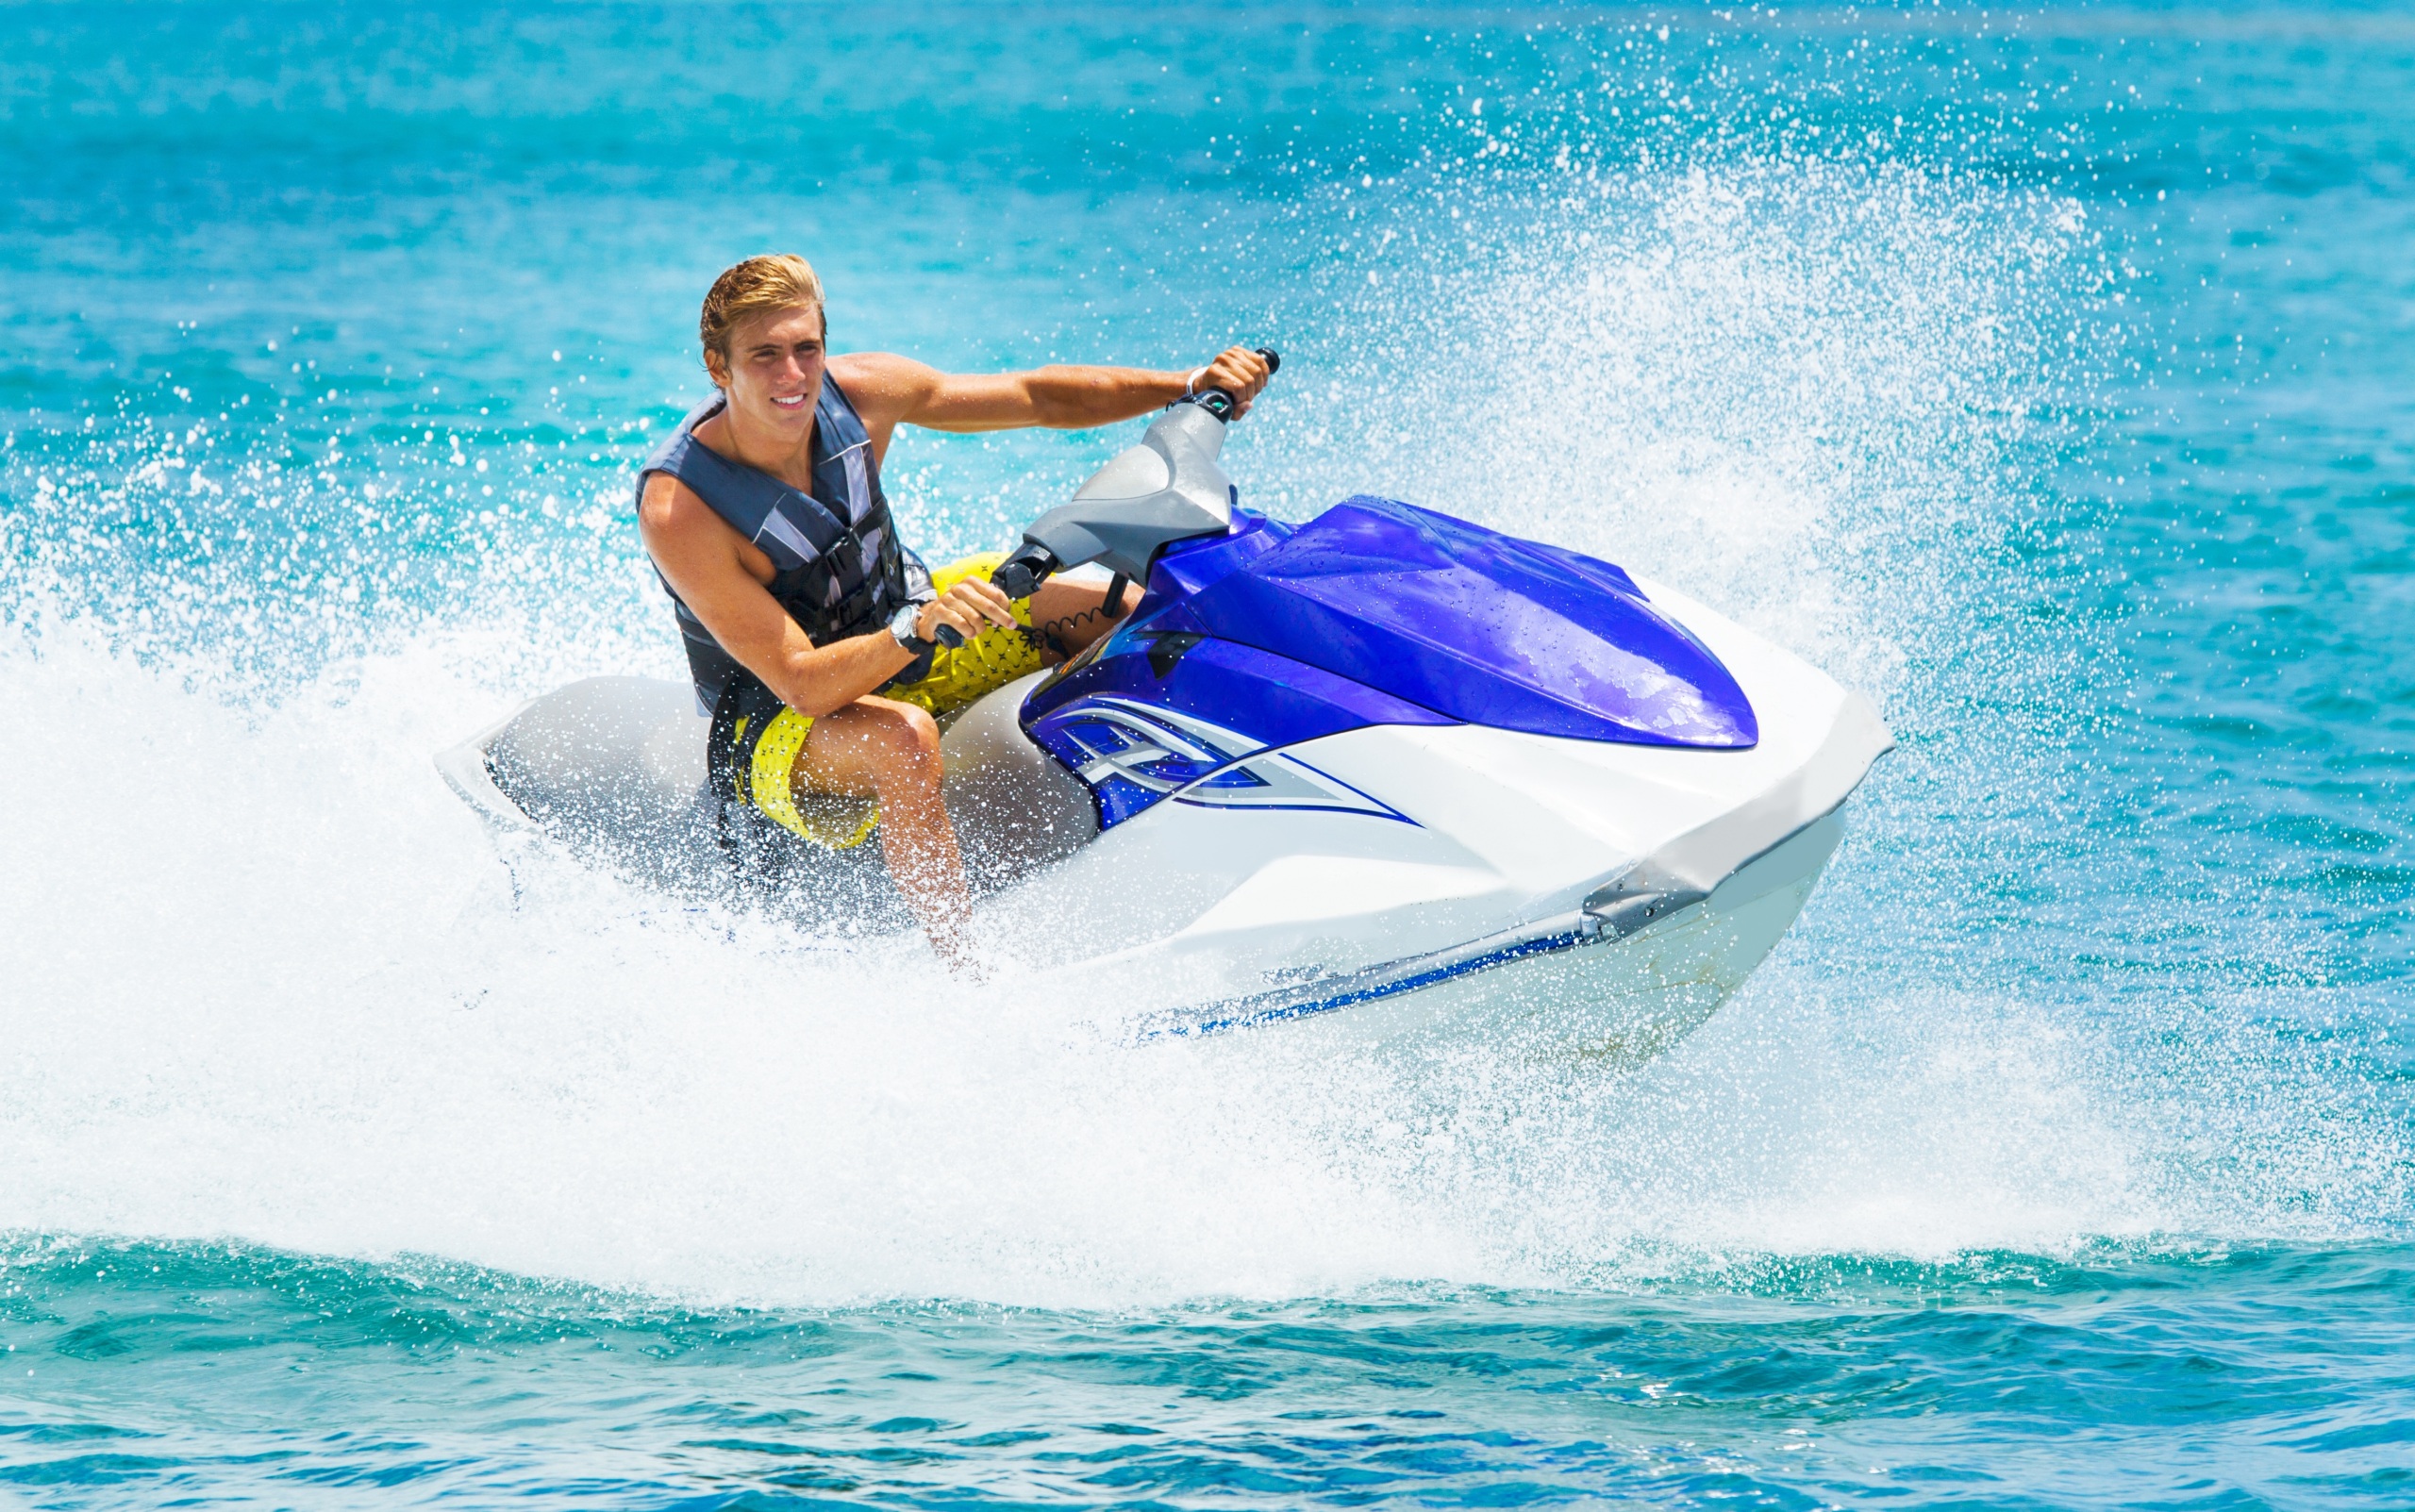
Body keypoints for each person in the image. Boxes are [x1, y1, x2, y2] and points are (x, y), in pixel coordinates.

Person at [638, 253, 1274, 970]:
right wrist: (915, 628)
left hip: (905, 619)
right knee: (903, 739)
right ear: (718, 368)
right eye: (765, 356)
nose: (793, 375)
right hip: (776, 715)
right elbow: (801, 681)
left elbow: (1038, 397)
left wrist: (1189, 385)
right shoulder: (680, 507)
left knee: (1131, 607)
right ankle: (965, 973)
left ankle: (1195, 809)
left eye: (806, 348)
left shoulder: (864, 392)